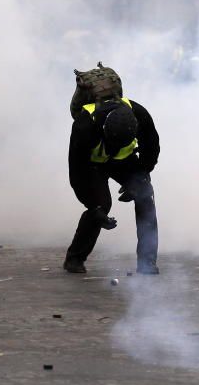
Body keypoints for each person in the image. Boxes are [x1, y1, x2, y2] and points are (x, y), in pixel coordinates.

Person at [64, 88, 160, 274]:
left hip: (123, 161)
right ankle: (74, 258)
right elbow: (77, 173)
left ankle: (147, 262)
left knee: (145, 194)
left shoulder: (140, 115)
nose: (114, 147)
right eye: (113, 142)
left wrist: (138, 179)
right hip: (92, 166)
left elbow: (151, 152)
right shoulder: (85, 125)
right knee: (101, 206)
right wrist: (94, 207)